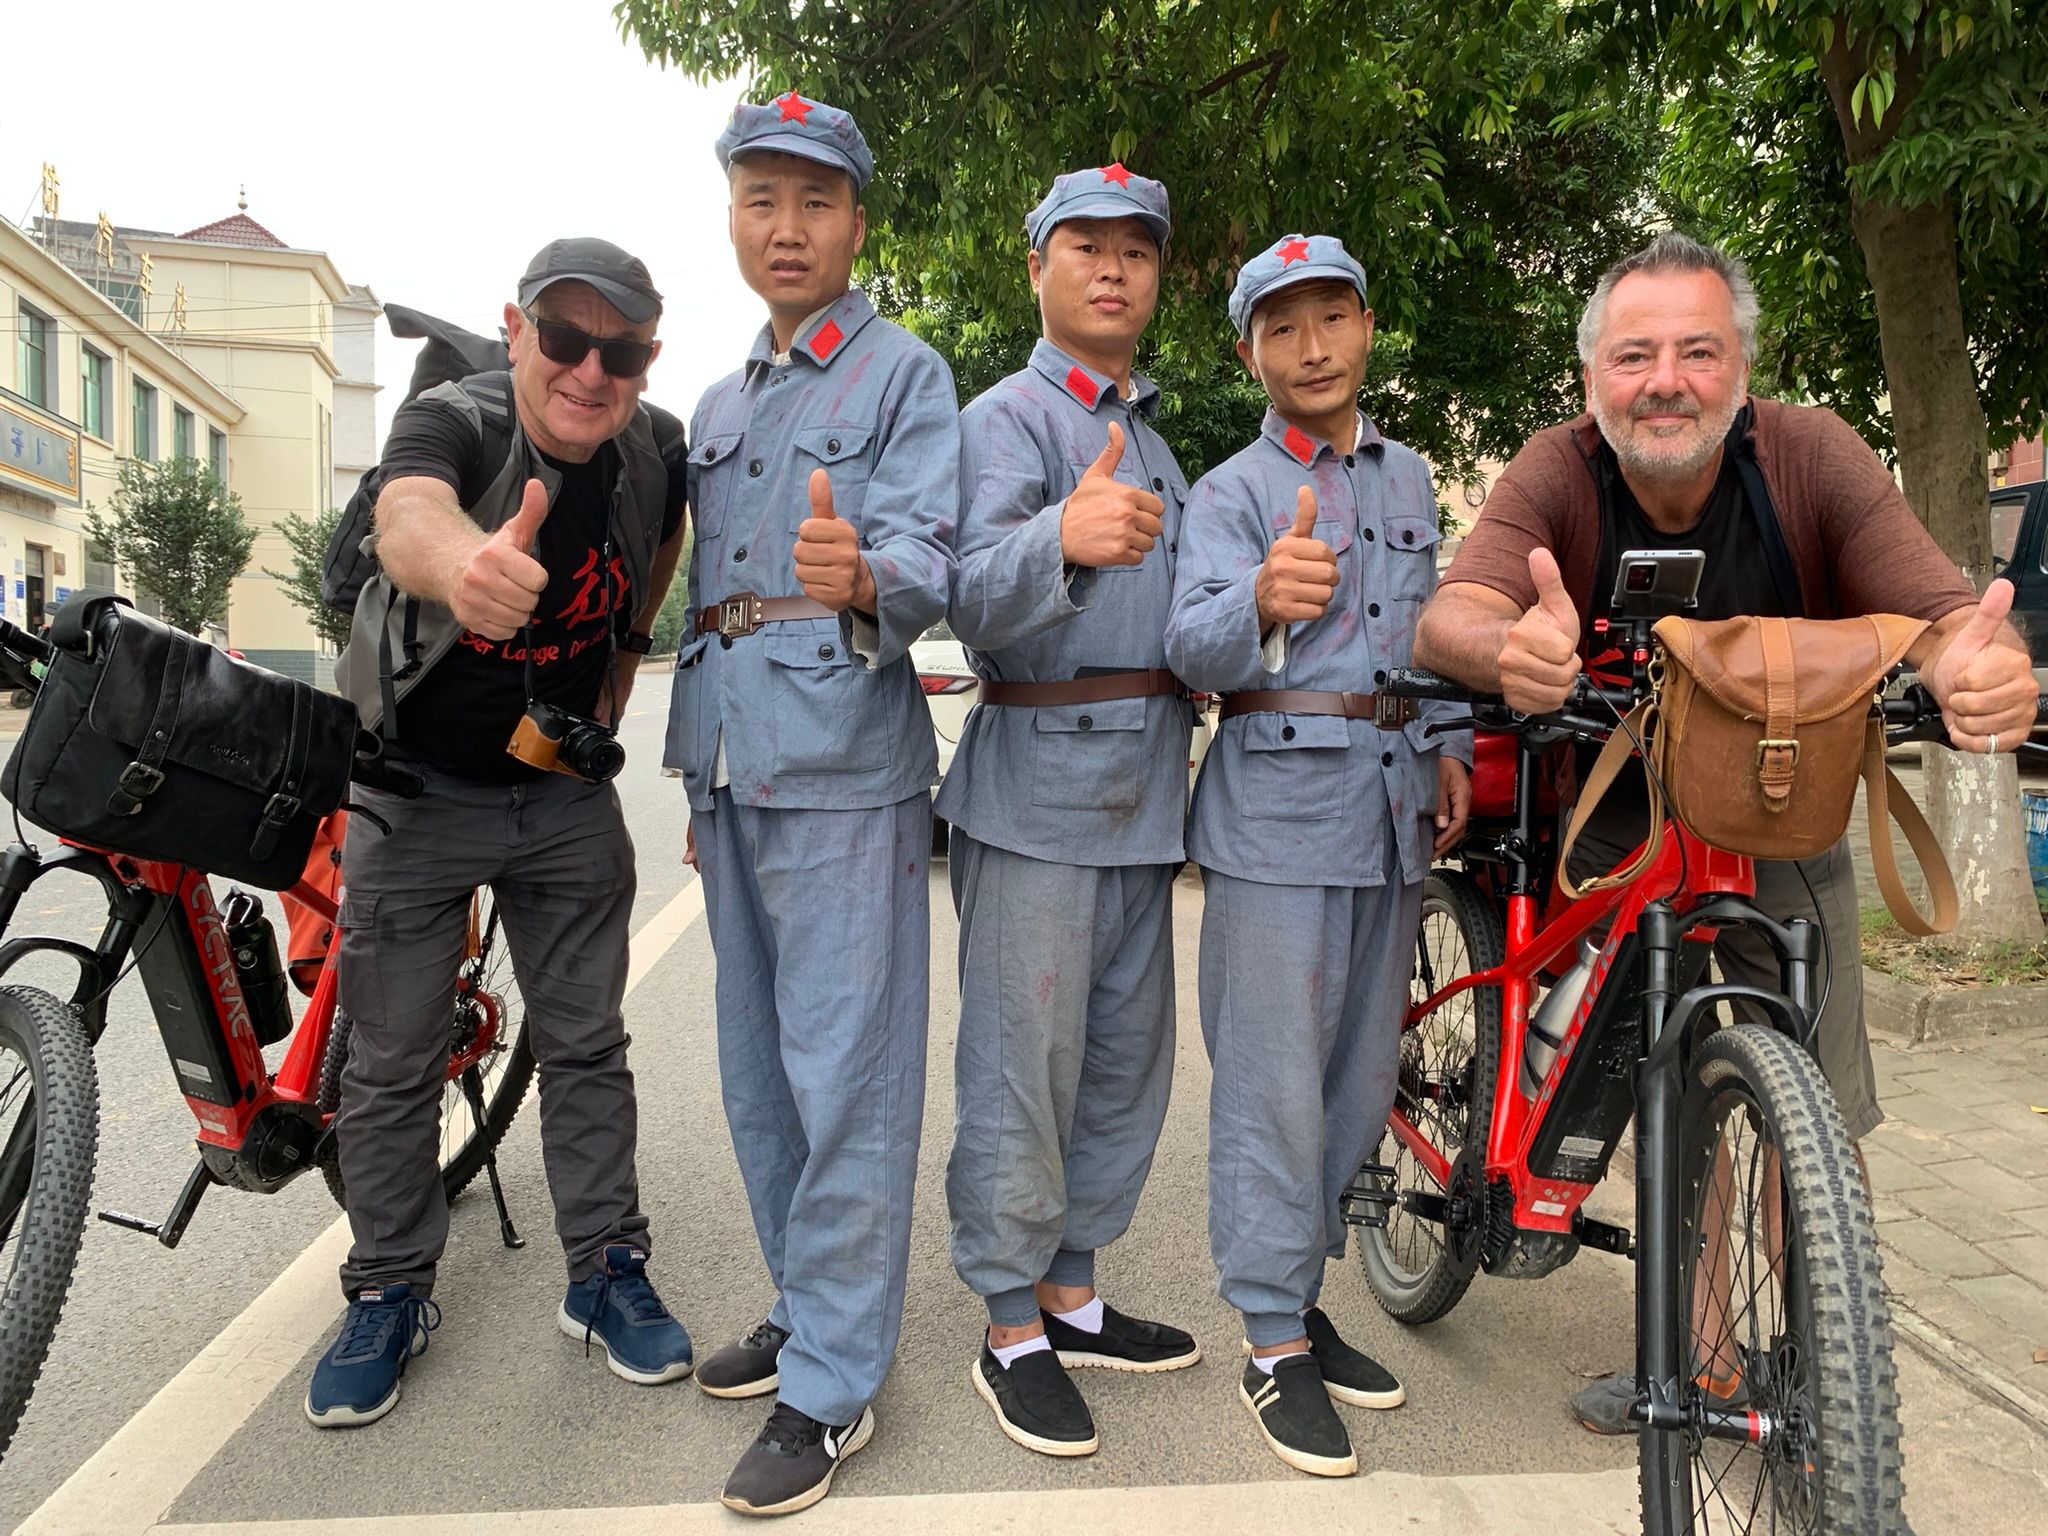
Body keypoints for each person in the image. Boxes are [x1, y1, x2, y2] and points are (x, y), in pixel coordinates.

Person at [1412, 229, 2039, 1433]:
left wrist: (1983, 670)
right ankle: (1697, 1359)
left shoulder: (1808, 455)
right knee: (1663, 1091)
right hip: (1611, 814)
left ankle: (1826, 1376)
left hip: (1777, 803)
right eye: (1635, 354)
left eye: (1697, 351)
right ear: (1591, 375)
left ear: (1741, 365)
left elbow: (1949, 616)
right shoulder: (1555, 469)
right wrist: (1511, 648)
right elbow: (1454, 612)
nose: (1665, 381)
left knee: (1813, 1100)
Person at [316, 238, 693, 1426]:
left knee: (587, 1042)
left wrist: (625, 654)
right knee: (389, 1064)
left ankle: (605, 1272)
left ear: (646, 358)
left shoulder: (653, 449)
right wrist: (464, 566)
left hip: (561, 797)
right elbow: (406, 516)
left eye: (620, 348)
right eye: (565, 338)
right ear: (516, 329)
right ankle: (385, 1283)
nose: (591, 368)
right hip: (416, 789)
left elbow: (666, 535)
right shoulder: (454, 420)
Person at [663, 92, 958, 1516]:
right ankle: (806, 1305)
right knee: (761, 1078)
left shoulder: (904, 374)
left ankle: (832, 1383)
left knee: (848, 1080)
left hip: (845, 763)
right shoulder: (720, 403)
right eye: (760, 198)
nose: (787, 228)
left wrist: (869, 580)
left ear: (857, 221)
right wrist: (695, 767)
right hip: (730, 764)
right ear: (731, 215)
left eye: (816, 200)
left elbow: (928, 550)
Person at [1165, 234, 1473, 1478]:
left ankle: (1299, 1299)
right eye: (1279, 328)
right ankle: (1264, 1337)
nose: (1308, 347)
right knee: (1271, 1086)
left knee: (1357, 1086)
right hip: (1280, 819)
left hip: (1393, 811)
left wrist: (1450, 738)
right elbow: (1189, 646)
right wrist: (1258, 600)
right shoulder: (1231, 488)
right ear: (1249, 351)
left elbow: (1436, 625)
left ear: (1363, 325)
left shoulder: (1406, 483)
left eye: (1328, 319)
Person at [938, 163, 1200, 1461]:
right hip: (1037, 787)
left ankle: (1073, 1291)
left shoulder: (1158, 444)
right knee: (1021, 1072)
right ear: (1036, 267)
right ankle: (1008, 1325)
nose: (1112, 268)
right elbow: (968, 596)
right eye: (1083, 246)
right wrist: (1065, 535)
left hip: (1147, 796)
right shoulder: (1002, 423)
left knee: (1118, 1071)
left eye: (1135, 252)